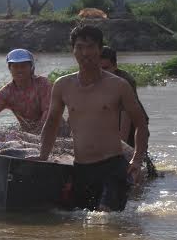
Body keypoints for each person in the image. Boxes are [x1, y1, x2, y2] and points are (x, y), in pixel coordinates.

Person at [36, 24, 149, 212]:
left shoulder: (118, 86)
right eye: (79, 47)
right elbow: (52, 123)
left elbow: (141, 124)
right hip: (81, 168)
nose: (85, 53)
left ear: (99, 49)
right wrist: (42, 157)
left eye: (90, 47)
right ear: (73, 50)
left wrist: (137, 159)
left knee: (106, 222)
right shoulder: (63, 85)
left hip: (113, 167)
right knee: (82, 226)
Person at [99, 46, 149, 147]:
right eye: (97, 68)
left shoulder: (124, 82)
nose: (101, 73)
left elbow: (126, 119)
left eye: (105, 68)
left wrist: (120, 151)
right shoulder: (92, 78)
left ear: (115, 66)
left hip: (134, 127)